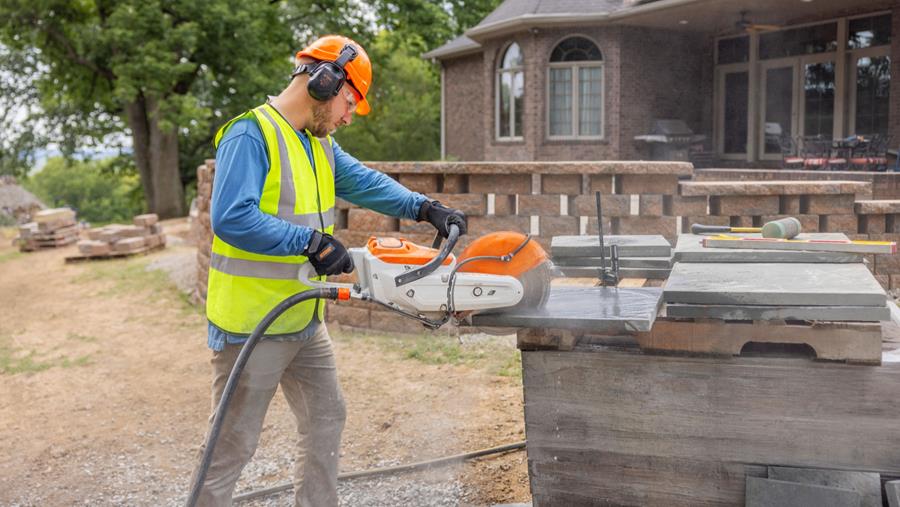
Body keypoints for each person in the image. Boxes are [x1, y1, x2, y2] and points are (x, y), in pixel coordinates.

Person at [190, 34, 467, 506]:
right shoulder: (251, 134)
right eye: (349, 101)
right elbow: (232, 217)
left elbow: (365, 182)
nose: (348, 115)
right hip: (251, 325)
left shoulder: (318, 144)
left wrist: (426, 208)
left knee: (326, 417)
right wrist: (310, 242)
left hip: (301, 320)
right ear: (324, 80)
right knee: (232, 446)